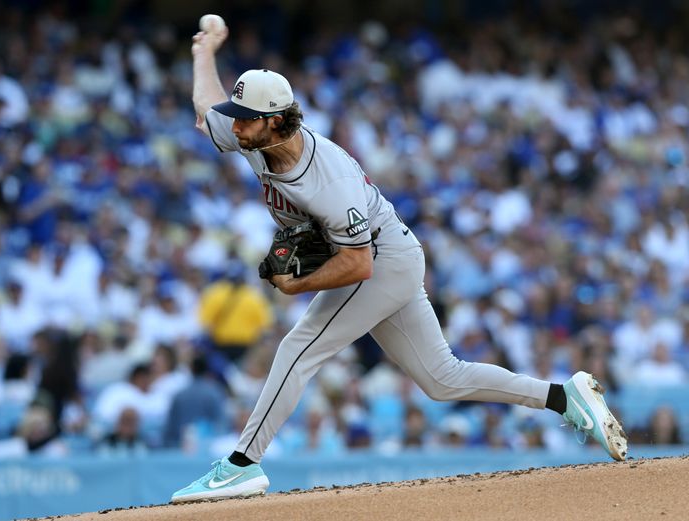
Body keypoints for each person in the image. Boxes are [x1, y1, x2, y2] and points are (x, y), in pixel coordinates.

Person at [171, 22, 628, 503]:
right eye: (237, 116)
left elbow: (358, 265)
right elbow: (207, 112)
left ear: (277, 121)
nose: (236, 125)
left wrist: (294, 287)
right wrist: (205, 52)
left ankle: (242, 464)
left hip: (381, 258)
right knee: (442, 379)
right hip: (388, 253)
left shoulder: (328, 183)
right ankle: (563, 396)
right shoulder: (256, 135)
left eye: (246, 118)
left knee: (298, 349)